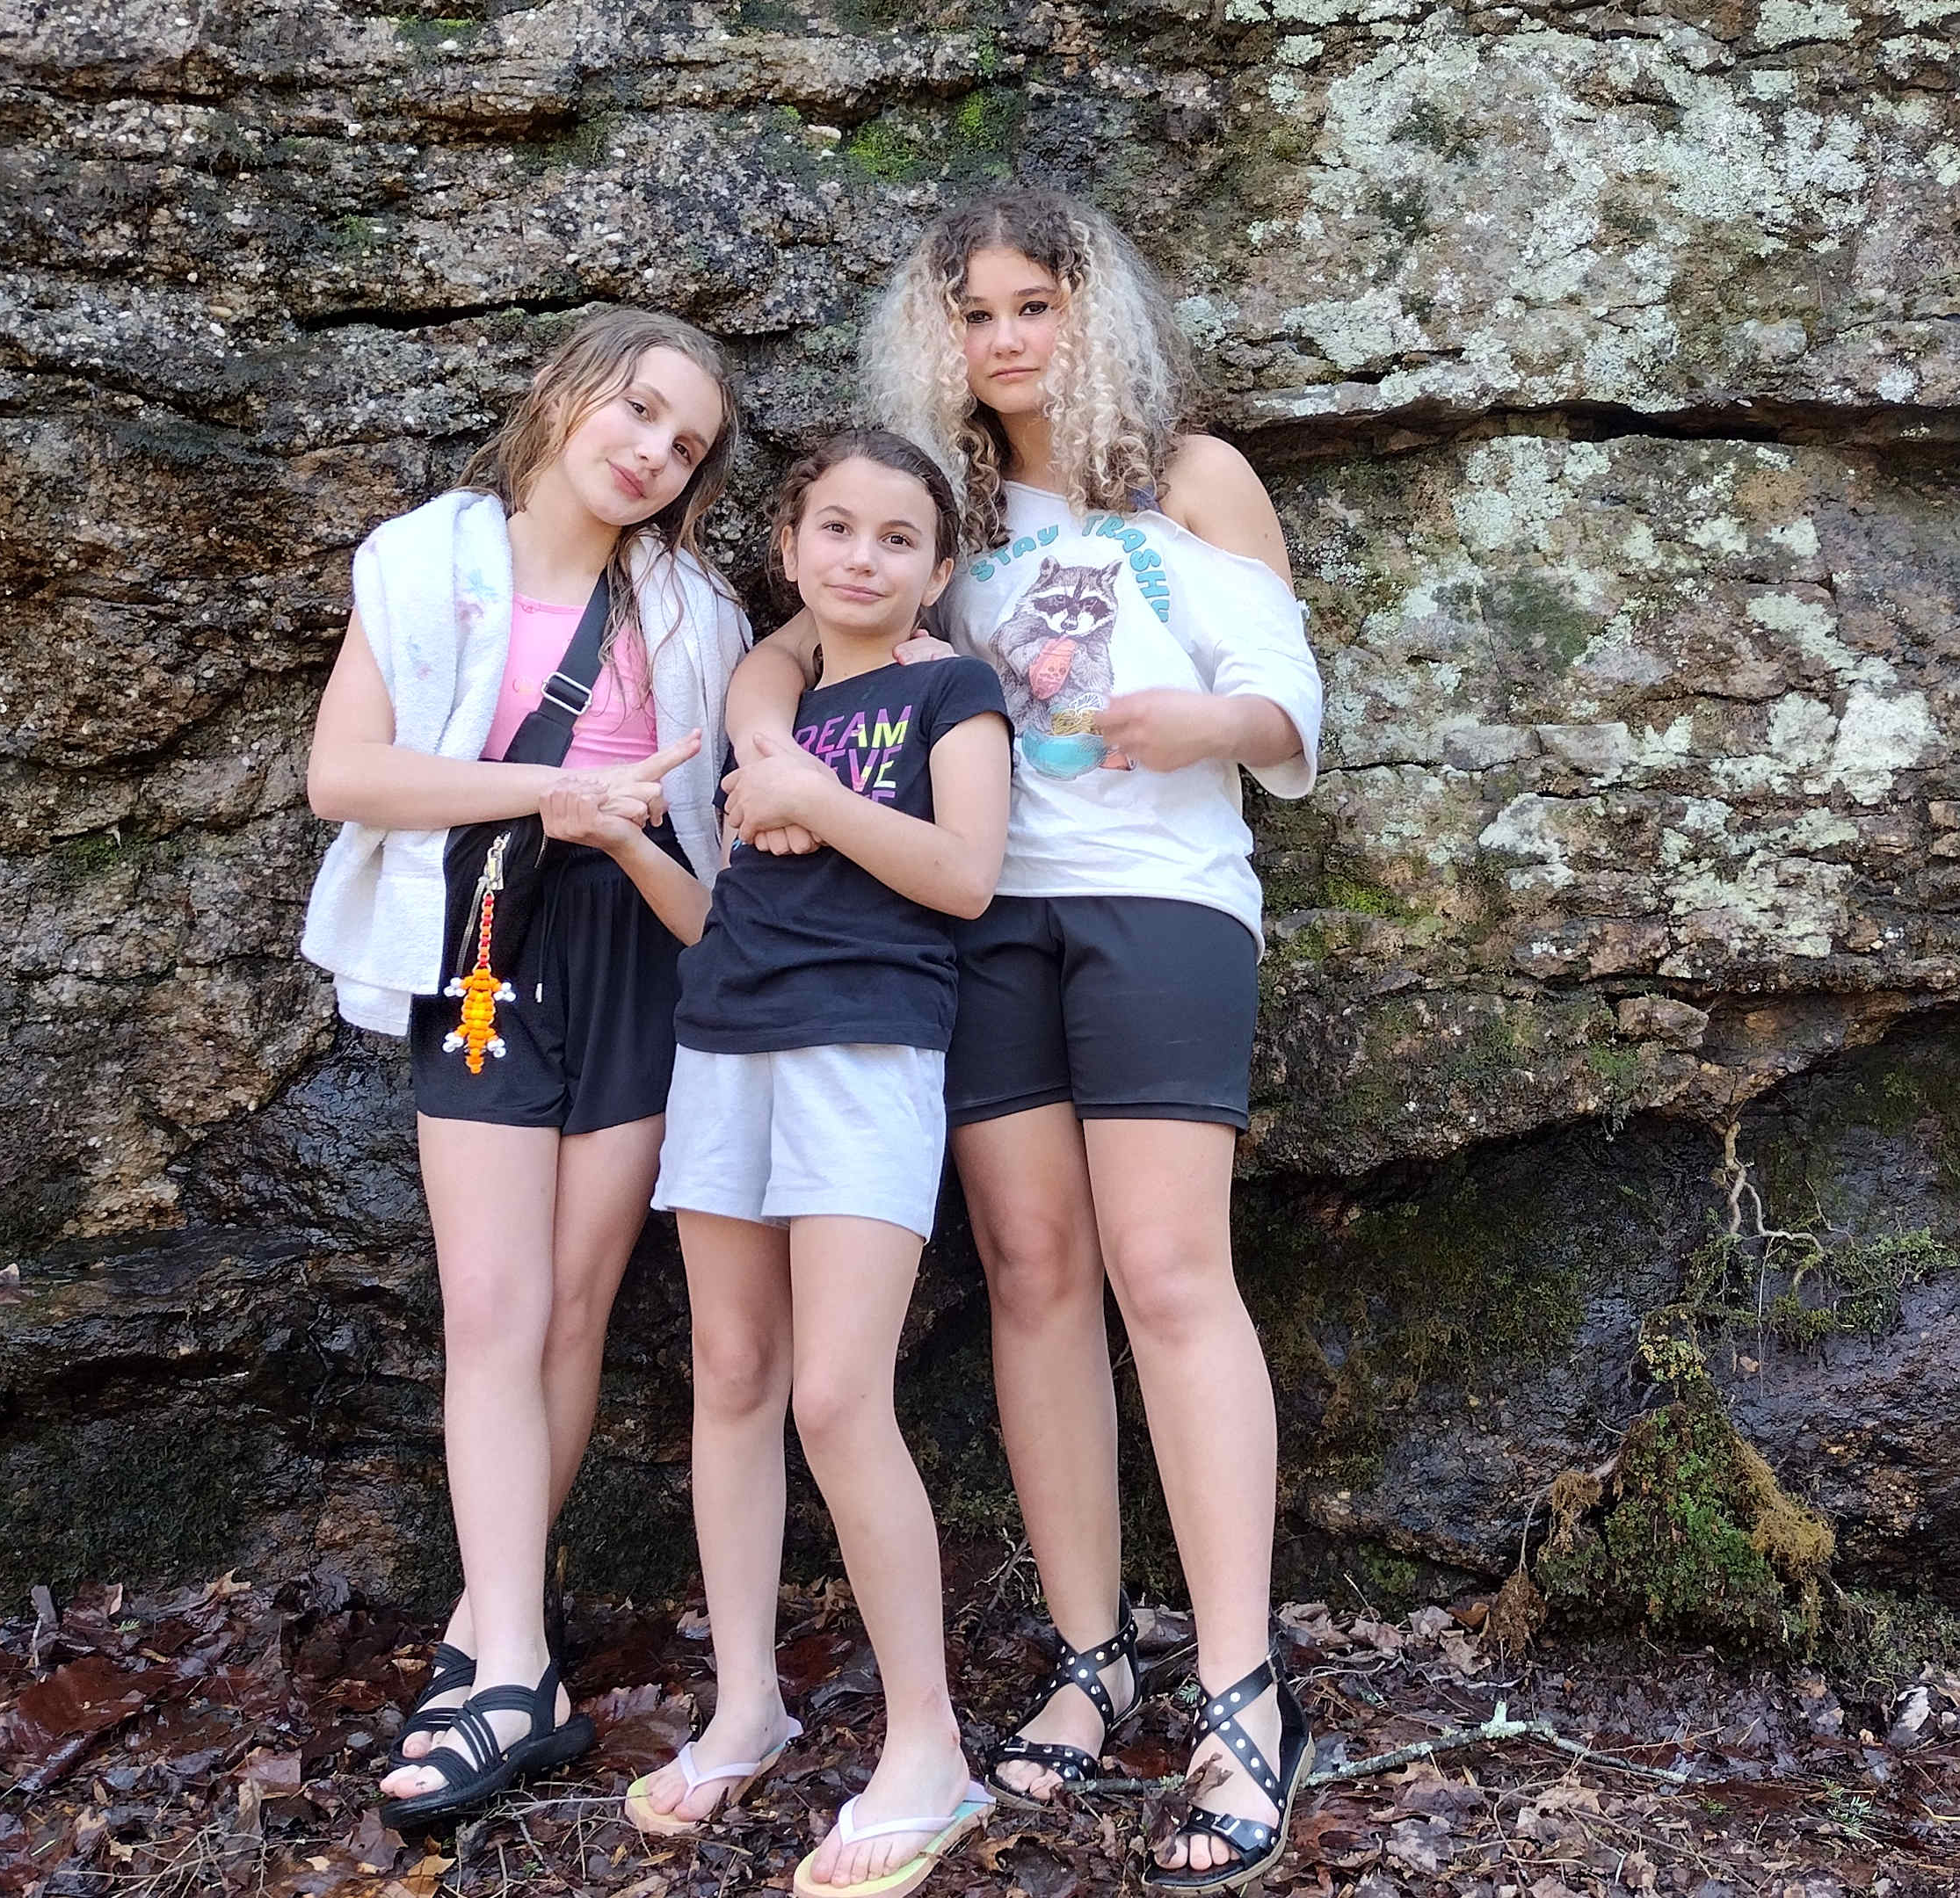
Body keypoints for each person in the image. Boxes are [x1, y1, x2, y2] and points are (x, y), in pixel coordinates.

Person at [726, 188, 1327, 1889]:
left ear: (1092, 315)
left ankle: (1242, 1695)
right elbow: (783, 656)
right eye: (974, 313)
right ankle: (1091, 1654)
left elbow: (1289, 693)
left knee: (1168, 1269)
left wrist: (1203, 719)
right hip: (981, 920)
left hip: (1161, 903)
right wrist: (770, 749)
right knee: (1031, 1268)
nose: (1004, 340)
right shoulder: (943, 510)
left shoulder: (1191, 479)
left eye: (1034, 306)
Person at [298, 308, 745, 1825]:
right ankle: (512, 1670)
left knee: (570, 1306)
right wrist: (544, 791)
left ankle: (493, 1644)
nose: (653, 452)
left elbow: (712, 808)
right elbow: (344, 773)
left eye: (686, 445)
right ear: (564, 392)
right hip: (486, 931)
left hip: (634, 946)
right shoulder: (424, 563)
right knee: (490, 1305)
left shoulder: (689, 608)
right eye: (638, 410)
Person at [630, 431, 1014, 1898]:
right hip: (723, 1040)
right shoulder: (770, 699)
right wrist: (651, 837)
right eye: (835, 529)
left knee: (840, 1394)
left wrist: (808, 792)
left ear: (938, 565)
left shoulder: (952, 691)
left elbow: (965, 876)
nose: (862, 556)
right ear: (789, 549)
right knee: (730, 1372)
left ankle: (929, 1750)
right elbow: (721, 905)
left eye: (897, 537)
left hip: (867, 1047)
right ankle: (749, 1707)